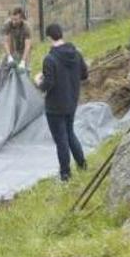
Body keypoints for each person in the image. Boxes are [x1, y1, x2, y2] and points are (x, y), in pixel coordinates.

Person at [34, 23, 89, 182]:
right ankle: (82, 164)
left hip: (55, 106)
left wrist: (38, 81)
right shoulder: (76, 53)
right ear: (61, 34)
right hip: (72, 101)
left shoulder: (49, 59)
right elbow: (84, 75)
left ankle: (65, 174)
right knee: (70, 133)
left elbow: (48, 85)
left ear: (48, 37)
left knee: (61, 140)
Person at [0, 7, 32, 102]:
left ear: (21, 18)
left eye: (16, 19)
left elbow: (27, 45)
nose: (13, 21)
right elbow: (5, 41)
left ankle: (25, 97)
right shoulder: (8, 24)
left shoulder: (26, 27)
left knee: (26, 71)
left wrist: (23, 61)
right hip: (11, 50)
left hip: (22, 50)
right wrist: (9, 57)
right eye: (12, 18)